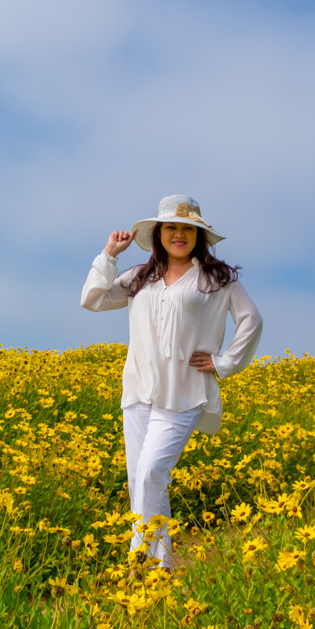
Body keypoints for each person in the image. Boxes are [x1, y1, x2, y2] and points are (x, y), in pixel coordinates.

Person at [81, 194, 263, 568]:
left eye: (188, 228)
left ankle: (138, 564)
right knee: (143, 481)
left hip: (185, 393)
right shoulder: (139, 277)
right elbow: (93, 299)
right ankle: (161, 565)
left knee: (150, 472)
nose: (179, 234)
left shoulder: (217, 279)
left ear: (199, 235)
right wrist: (109, 254)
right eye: (172, 228)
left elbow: (251, 320)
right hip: (138, 391)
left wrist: (223, 362)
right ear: (159, 234)